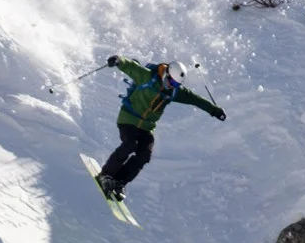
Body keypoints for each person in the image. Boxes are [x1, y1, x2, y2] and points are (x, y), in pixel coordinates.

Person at [95, 55, 226, 201]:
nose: (171, 86)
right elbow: (131, 66)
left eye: (176, 84)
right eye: (171, 81)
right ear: (166, 73)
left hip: (146, 128)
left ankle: (119, 182)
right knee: (130, 145)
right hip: (129, 118)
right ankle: (105, 176)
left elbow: (195, 99)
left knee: (145, 155)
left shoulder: (174, 92)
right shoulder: (147, 77)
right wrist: (118, 60)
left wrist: (215, 110)